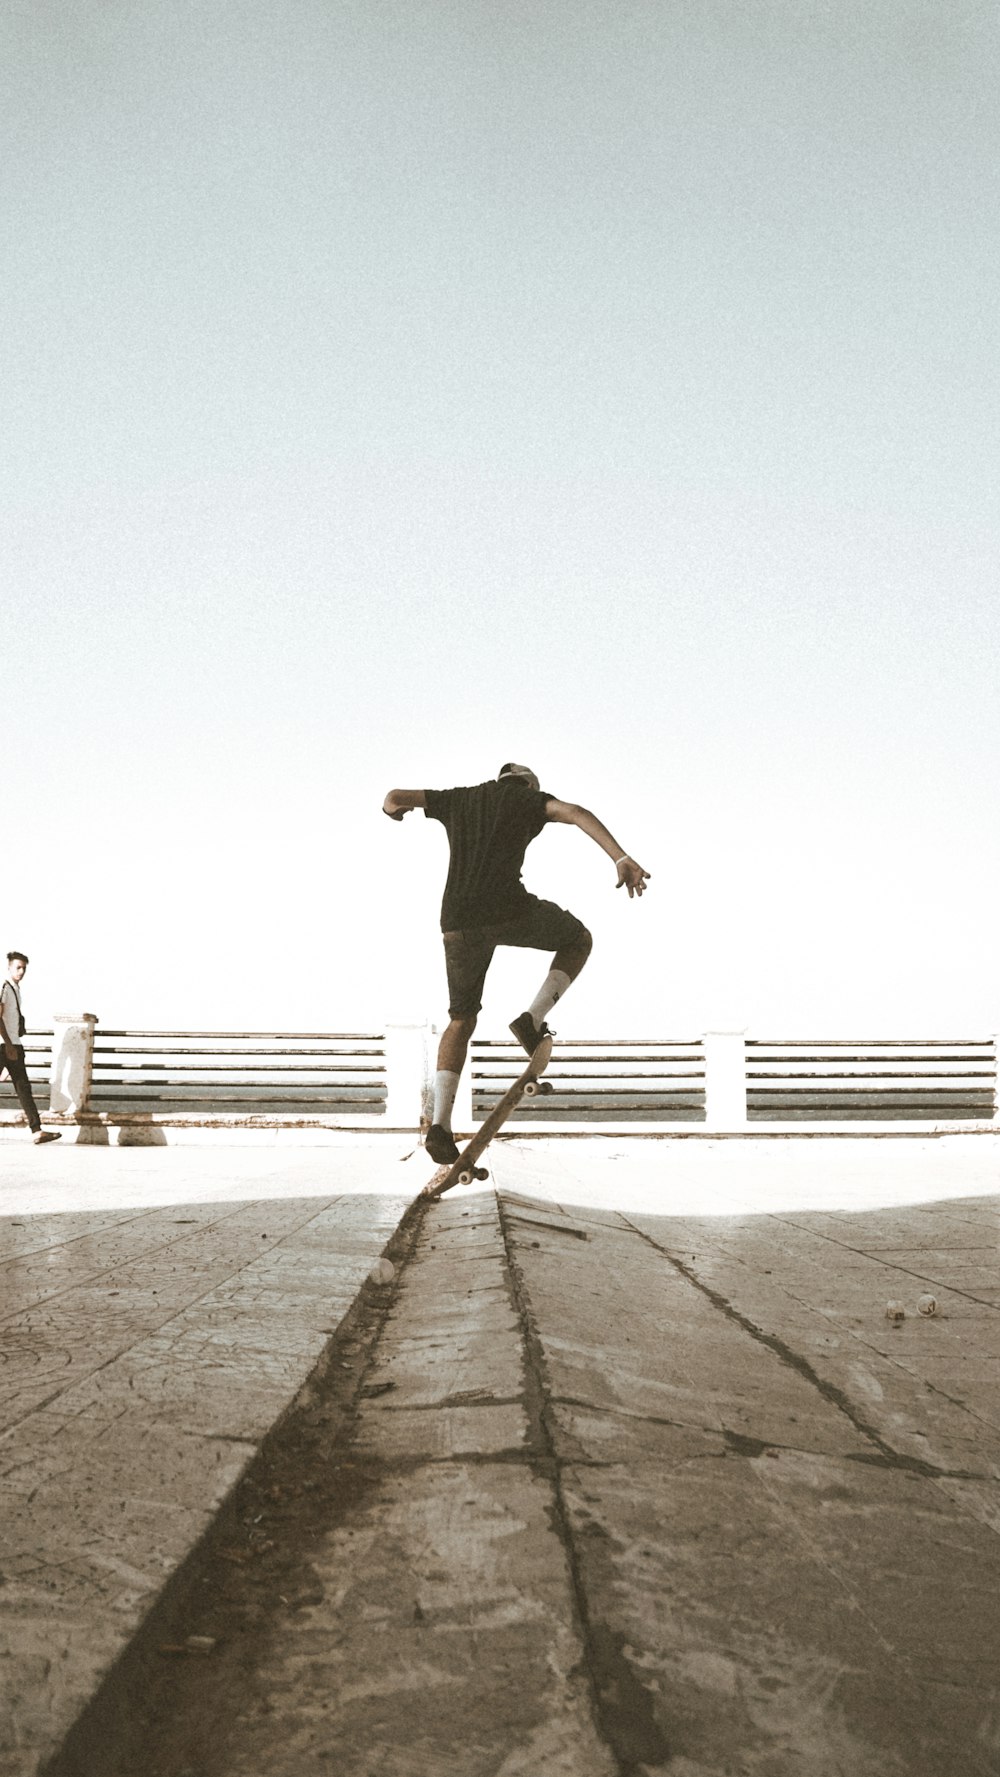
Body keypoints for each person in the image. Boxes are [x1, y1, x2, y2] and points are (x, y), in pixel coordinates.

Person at [383, 763, 649, 1163]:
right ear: (527, 784)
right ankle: (532, 1020)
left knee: (461, 1018)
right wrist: (621, 857)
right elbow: (576, 813)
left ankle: (439, 1126)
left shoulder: (460, 797)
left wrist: (395, 813)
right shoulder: (527, 798)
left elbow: (393, 798)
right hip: (507, 910)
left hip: (457, 921)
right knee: (578, 939)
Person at [1, 951, 61, 1145]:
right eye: (18, 967)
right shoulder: (4, 987)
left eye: (24, 968)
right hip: (4, 1045)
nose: (21, 971)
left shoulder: (15, 988)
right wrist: (9, 1045)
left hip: (14, 1045)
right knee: (23, 1087)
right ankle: (36, 1129)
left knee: (24, 1088)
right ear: (9, 967)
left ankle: (37, 1130)